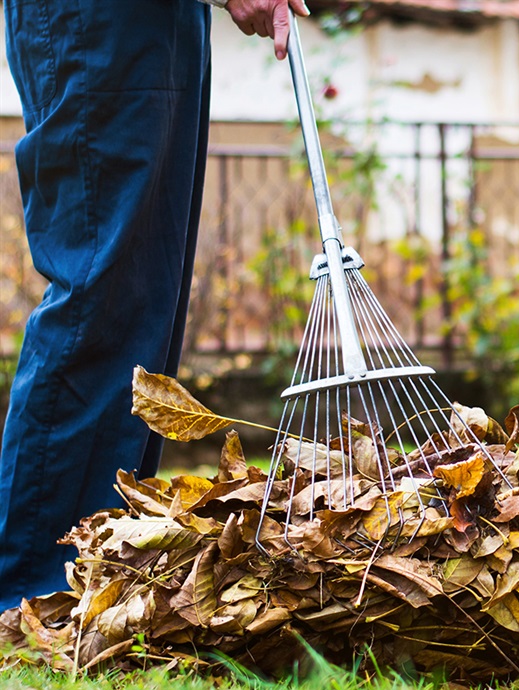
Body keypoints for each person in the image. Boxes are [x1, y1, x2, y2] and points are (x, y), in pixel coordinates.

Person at [0, 0, 309, 611]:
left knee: (143, 297)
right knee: (101, 286)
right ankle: (33, 587)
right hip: (99, 19)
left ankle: (102, 566)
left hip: (158, 18)